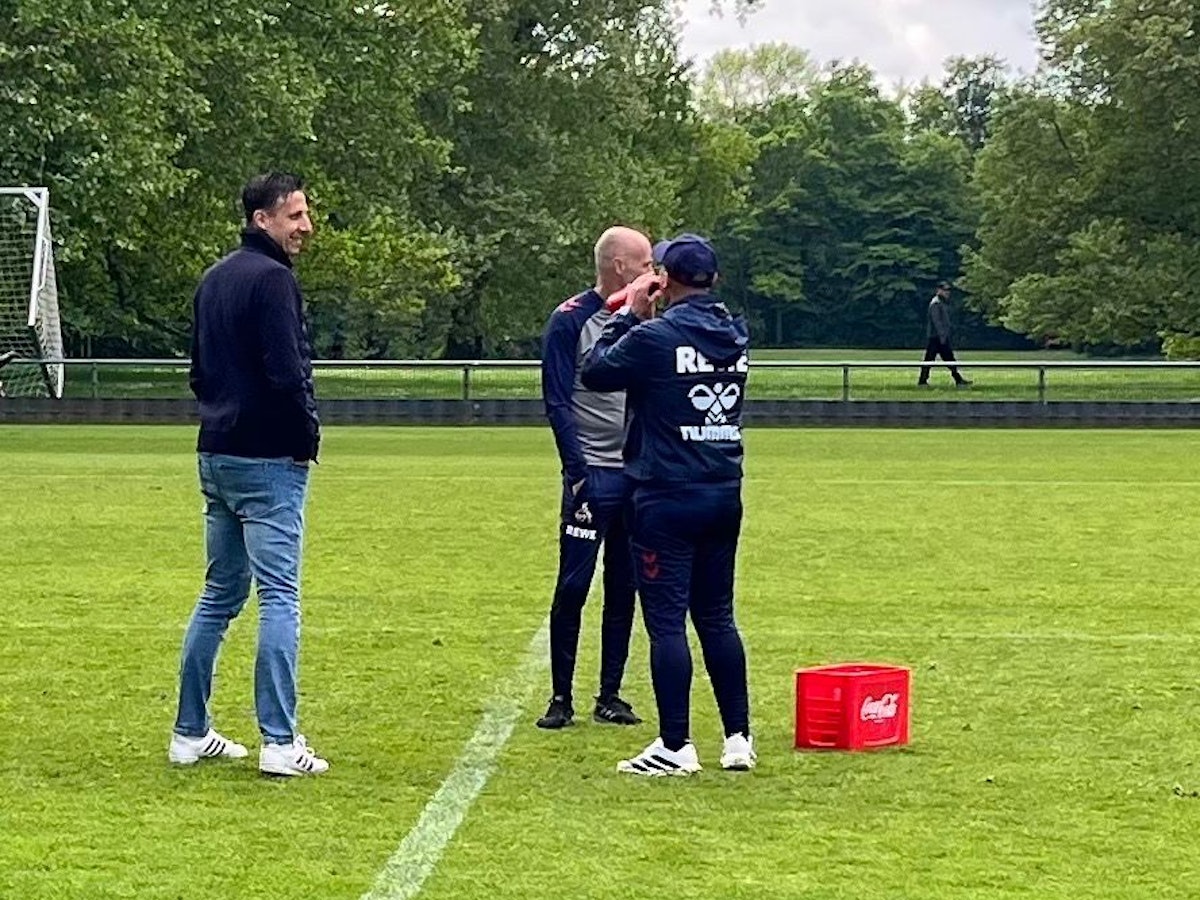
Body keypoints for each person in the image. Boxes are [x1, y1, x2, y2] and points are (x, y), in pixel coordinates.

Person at [168, 172, 328, 777]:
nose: (305, 226)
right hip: (267, 459)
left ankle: (189, 731)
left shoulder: (214, 278)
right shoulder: (274, 281)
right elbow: (288, 373)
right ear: (263, 219)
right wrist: (306, 435)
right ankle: (281, 742)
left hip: (216, 451)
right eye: (294, 216)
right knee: (278, 596)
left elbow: (199, 372)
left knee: (219, 595)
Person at [580, 233, 755, 776]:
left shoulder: (656, 335)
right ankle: (737, 737)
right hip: (723, 489)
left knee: (665, 623)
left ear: (666, 279)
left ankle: (675, 744)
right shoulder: (736, 333)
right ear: (715, 281)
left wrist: (631, 312)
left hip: (665, 494)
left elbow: (595, 369)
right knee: (718, 617)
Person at [536, 226, 652, 729]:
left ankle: (610, 694)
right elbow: (557, 400)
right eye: (646, 262)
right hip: (592, 476)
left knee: (624, 585)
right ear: (622, 267)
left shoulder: (646, 319)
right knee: (574, 585)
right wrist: (577, 471)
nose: (654, 273)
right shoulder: (569, 321)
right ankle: (560, 697)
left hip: (634, 476)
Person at [918, 281, 972, 387]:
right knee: (933, 360)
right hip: (936, 338)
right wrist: (943, 337)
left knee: (945, 360)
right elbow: (937, 322)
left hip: (938, 337)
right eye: (945, 290)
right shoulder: (936, 303)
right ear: (938, 290)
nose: (947, 293)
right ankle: (923, 381)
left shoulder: (940, 303)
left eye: (948, 290)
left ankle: (957, 379)